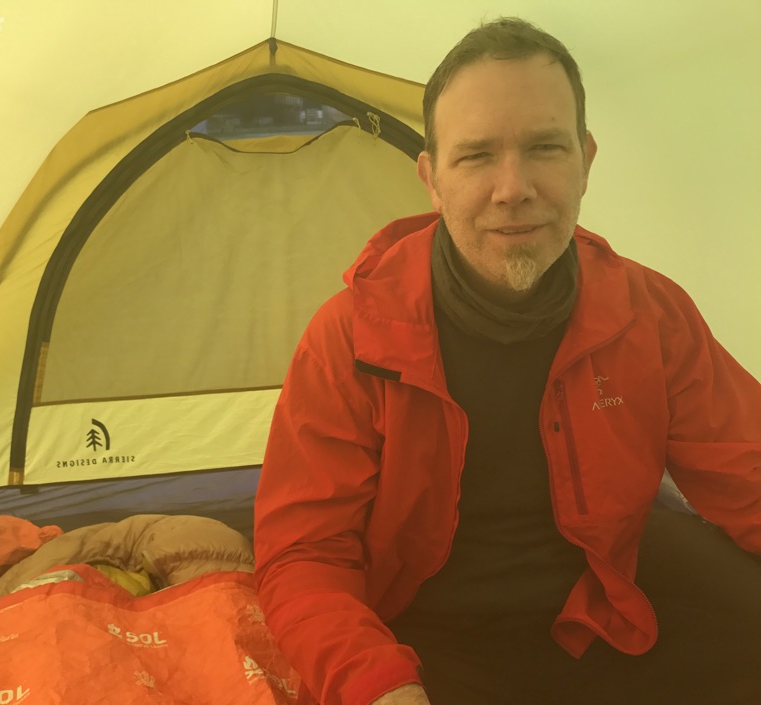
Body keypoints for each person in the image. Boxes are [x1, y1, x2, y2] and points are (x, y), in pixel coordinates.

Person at [253, 17, 761, 705]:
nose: (513, 187)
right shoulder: (350, 339)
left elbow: (748, 471)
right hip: (429, 646)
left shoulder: (649, 313)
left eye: (544, 148)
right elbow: (305, 554)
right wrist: (376, 682)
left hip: (602, 617)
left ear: (585, 159)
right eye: (477, 156)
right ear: (432, 179)